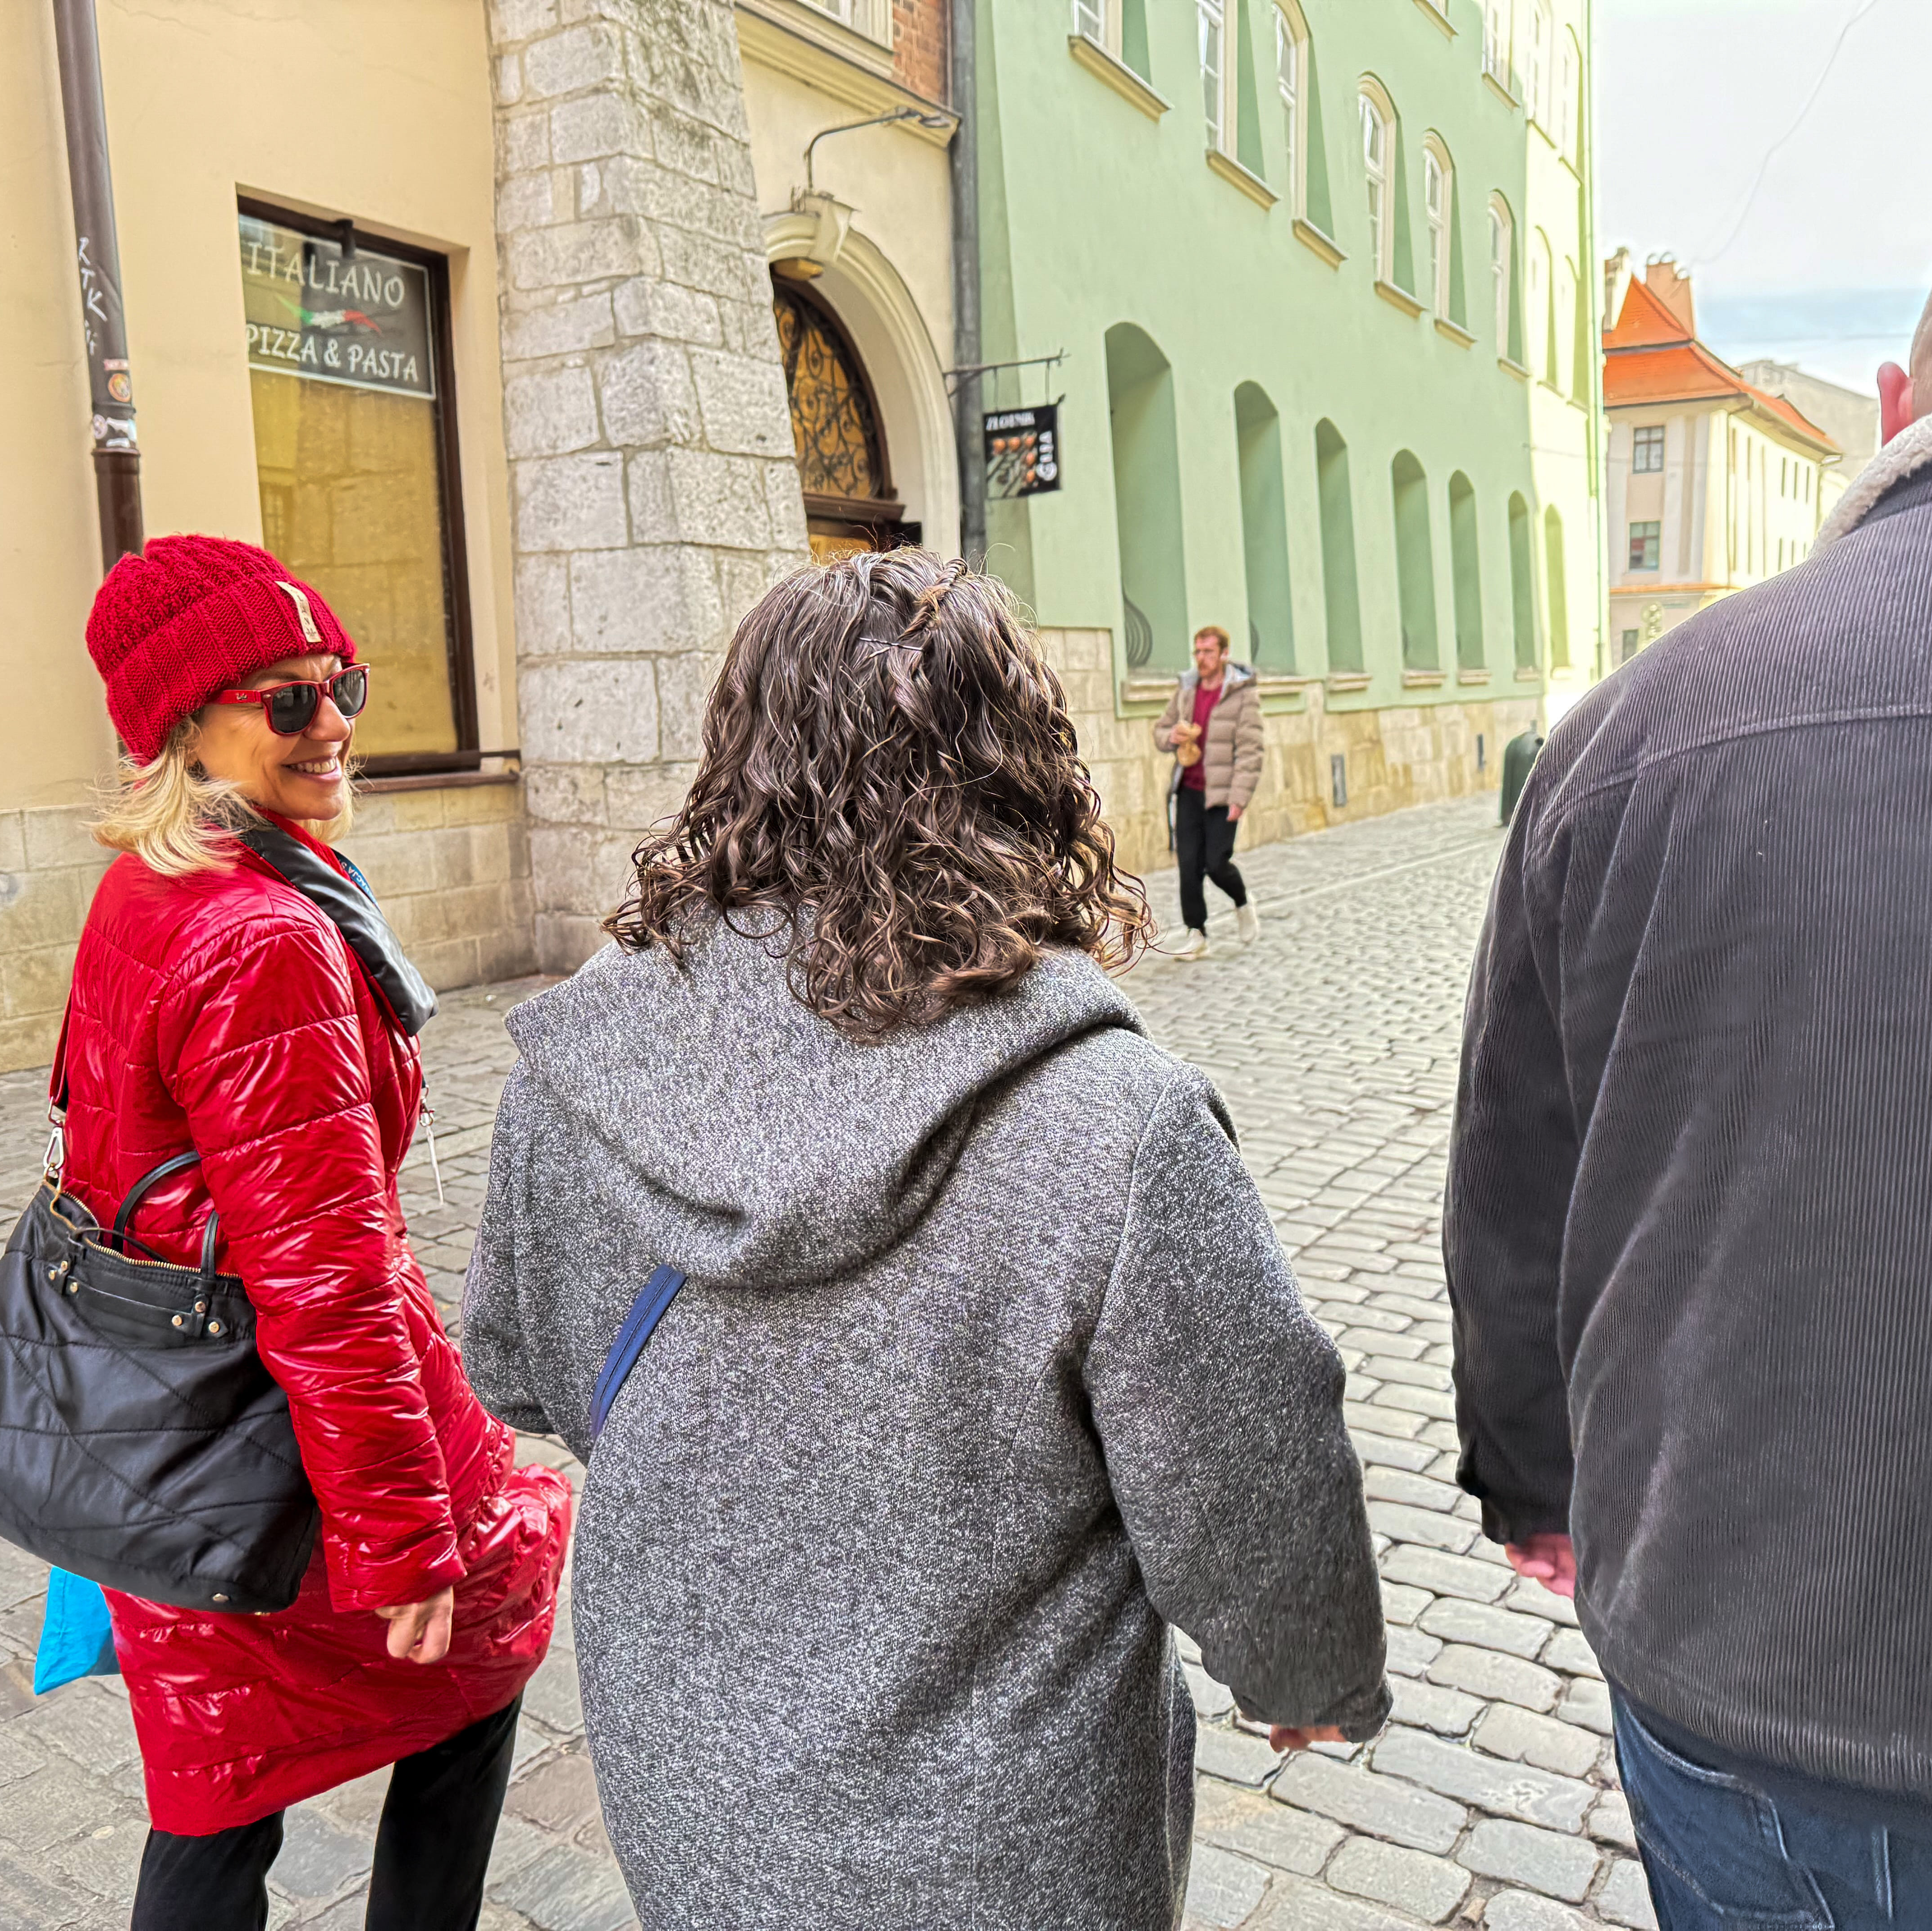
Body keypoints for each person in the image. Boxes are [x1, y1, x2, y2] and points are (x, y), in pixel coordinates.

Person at [460, 550, 1388, 1931]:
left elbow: (519, 1368)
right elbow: (1252, 1462)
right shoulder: (1114, 1123)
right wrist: (1308, 1677)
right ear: (1017, 768)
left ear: (738, 757)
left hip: (696, 1792)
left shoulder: (581, 1071)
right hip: (1009, 1845)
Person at [1445, 177, 1932, 1928]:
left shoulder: (1631, 729)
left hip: (1730, 1694)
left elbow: (1514, 1185)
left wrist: (1532, 1483)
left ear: (1901, 411)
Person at [66, 534, 571, 1931]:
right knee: (476, 1649)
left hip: (168, 1418)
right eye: (285, 699)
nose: (333, 723)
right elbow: (326, 1275)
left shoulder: (152, 889)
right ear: (187, 729)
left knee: (219, 1775)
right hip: (276, 1428)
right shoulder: (266, 936)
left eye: (340, 684)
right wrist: (402, 1538)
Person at [1151, 624, 1262, 956]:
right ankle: (1196, 933)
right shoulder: (1187, 690)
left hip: (1223, 794)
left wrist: (1240, 798)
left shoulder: (1242, 694)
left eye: (1208, 652)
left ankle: (1242, 901)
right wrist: (1171, 737)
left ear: (1224, 654)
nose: (1201, 658)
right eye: (1197, 652)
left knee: (1216, 864)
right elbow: (1161, 730)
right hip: (1189, 790)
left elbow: (1251, 750)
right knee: (1189, 866)